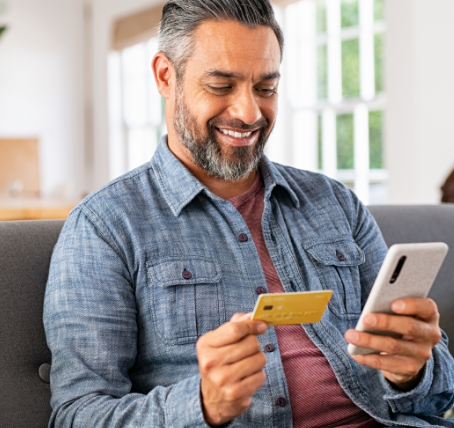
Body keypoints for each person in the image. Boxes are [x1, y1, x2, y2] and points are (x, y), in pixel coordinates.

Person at [43, 1, 454, 426]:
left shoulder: (336, 203)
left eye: (266, 88)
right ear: (166, 76)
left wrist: (413, 372)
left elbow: (439, 392)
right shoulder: (104, 226)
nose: (249, 113)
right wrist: (202, 405)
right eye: (222, 86)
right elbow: (79, 415)